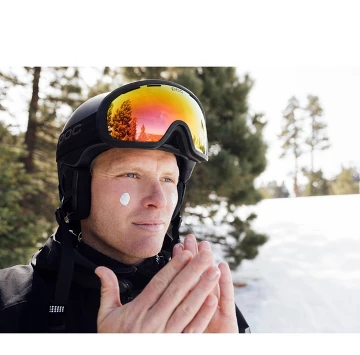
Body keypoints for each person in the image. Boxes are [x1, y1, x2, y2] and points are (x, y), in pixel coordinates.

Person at [0, 79, 250, 333]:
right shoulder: (9, 304)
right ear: (76, 188)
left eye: (168, 179)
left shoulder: (203, 301)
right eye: (131, 175)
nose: (159, 200)